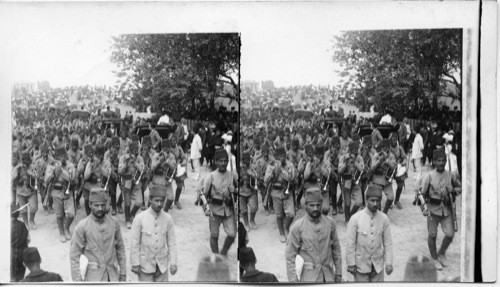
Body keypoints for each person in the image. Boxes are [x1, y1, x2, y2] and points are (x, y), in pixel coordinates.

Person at [285, 188, 342, 282]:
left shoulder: (330, 223)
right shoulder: (298, 227)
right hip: (309, 279)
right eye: (312, 205)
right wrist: (293, 282)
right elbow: (290, 256)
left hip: (328, 276)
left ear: (322, 204)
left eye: (318, 205)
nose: (315, 208)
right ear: (305, 205)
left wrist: (338, 273)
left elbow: (336, 249)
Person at [70, 188, 127, 282]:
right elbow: (74, 256)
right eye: (96, 205)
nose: (100, 209)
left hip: (112, 276)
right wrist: (78, 282)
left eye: (102, 205)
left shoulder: (114, 223)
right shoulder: (82, 226)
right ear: (90, 204)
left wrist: (123, 274)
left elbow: (120, 249)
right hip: (93, 279)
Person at [418, 148, 461, 270]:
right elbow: (421, 195)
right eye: (438, 160)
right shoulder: (429, 177)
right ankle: (434, 257)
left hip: (447, 210)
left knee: (450, 234)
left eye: (443, 160)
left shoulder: (451, 175)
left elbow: (459, 187)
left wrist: (453, 191)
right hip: (433, 210)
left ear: (446, 161)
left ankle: (442, 253)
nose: (441, 163)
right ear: (434, 162)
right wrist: (423, 208)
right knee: (432, 234)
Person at [130, 185, 178, 282]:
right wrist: (135, 263)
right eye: (156, 200)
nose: (159, 204)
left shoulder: (168, 218)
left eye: (162, 200)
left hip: (162, 266)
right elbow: (134, 242)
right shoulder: (140, 218)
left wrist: (173, 262)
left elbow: (172, 242)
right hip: (145, 266)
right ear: (150, 200)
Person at [346, 184, 393, 282]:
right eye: (372, 200)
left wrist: (389, 262)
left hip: (377, 267)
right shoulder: (355, 218)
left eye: (378, 200)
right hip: (360, 266)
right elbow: (350, 243)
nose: (375, 204)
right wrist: (351, 263)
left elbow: (388, 243)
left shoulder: (384, 218)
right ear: (366, 200)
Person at [198, 148, 238, 256]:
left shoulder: (232, 175)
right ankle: (216, 257)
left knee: (232, 234)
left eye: (225, 161)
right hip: (214, 210)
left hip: (228, 210)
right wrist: (206, 209)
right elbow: (202, 195)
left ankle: (224, 252)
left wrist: (235, 192)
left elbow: (238, 191)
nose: (223, 163)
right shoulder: (210, 177)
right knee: (214, 234)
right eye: (220, 161)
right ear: (216, 161)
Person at [264, 146, 297, 243]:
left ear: (285, 155)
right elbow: (266, 180)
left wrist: (282, 170)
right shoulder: (270, 165)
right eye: (279, 157)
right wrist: (274, 170)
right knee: (279, 215)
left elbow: (291, 178)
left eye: (283, 156)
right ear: (276, 157)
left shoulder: (289, 165)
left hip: (287, 192)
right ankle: (281, 233)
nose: (281, 158)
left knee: (291, 214)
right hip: (276, 192)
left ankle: (286, 227)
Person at [50, 147, 77, 242]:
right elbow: (48, 178)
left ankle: (66, 228)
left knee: (71, 214)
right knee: (59, 215)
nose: (62, 158)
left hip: (68, 192)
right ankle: (61, 232)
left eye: (64, 155)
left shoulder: (71, 166)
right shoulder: (53, 165)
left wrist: (69, 177)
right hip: (56, 193)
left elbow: (74, 179)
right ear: (56, 157)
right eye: (60, 156)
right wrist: (57, 168)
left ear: (66, 155)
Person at [118, 141, 144, 228]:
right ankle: (127, 220)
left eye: (137, 150)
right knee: (127, 202)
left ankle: (132, 214)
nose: (135, 152)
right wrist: (126, 163)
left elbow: (142, 170)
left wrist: (136, 163)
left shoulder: (140, 158)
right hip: (127, 183)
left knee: (139, 201)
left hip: (136, 183)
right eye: (134, 150)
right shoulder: (123, 158)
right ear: (130, 151)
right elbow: (120, 171)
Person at [12, 151, 38, 229]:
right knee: (23, 210)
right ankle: (26, 223)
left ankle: (31, 220)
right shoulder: (17, 167)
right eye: (23, 160)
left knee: (33, 208)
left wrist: (29, 172)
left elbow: (37, 177)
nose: (25, 162)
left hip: (31, 191)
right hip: (20, 192)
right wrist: (17, 174)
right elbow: (12, 178)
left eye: (27, 160)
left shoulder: (32, 167)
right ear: (21, 160)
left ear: (29, 160)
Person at [11, 203, 30, 282]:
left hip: (10, 255)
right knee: (20, 276)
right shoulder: (22, 224)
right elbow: (28, 239)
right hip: (22, 253)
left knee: (11, 276)